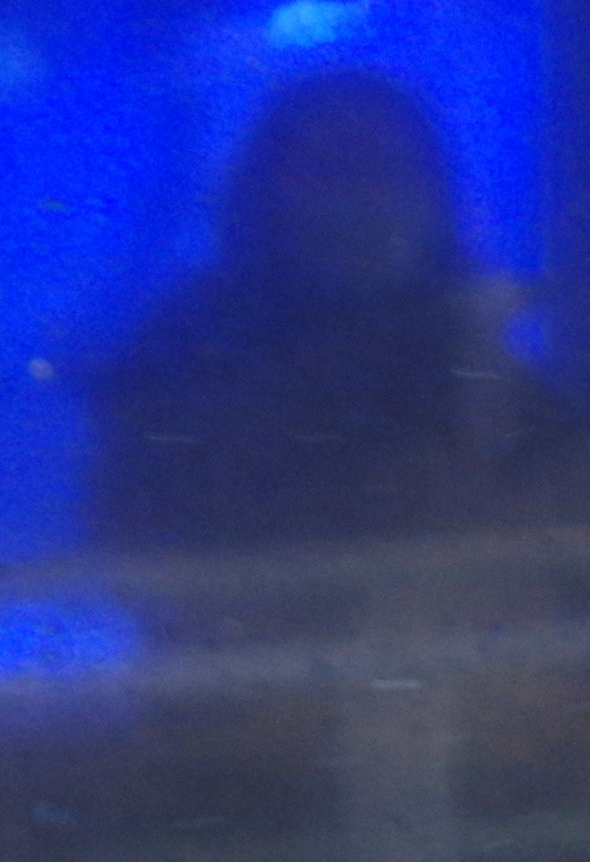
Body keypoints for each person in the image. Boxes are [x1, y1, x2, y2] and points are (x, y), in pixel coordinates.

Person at [88, 73, 547, 552]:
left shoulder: (468, 346)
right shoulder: (186, 356)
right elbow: (144, 548)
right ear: (263, 193)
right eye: (328, 171)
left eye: (386, 170)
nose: (360, 202)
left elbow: (549, 500)